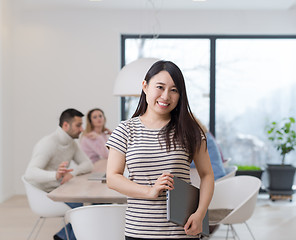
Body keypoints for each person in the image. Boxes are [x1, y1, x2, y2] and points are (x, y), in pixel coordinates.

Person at [106, 60, 215, 240]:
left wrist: (200, 213)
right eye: (160, 87)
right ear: (145, 86)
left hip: (181, 231)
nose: (165, 96)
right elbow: (112, 178)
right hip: (139, 230)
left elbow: (207, 175)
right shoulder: (125, 130)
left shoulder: (190, 130)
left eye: (174, 90)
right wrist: (149, 191)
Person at [24, 108, 93, 240]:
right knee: (80, 207)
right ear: (66, 125)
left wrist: (72, 173)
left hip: (58, 190)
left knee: (89, 205)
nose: (82, 129)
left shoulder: (71, 144)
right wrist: (55, 175)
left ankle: (63, 236)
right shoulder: (48, 143)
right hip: (43, 195)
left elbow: (88, 164)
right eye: (78, 125)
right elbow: (30, 173)